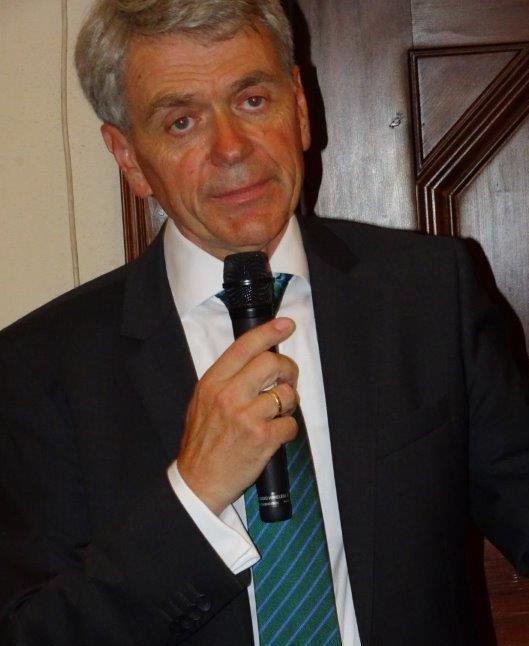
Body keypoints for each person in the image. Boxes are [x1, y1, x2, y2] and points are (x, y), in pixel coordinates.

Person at [1, 1, 528, 644]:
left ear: (299, 108)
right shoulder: (36, 369)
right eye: (182, 121)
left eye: (252, 101)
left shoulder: (428, 292)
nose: (231, 148)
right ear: (129, 157)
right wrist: (193, 496)